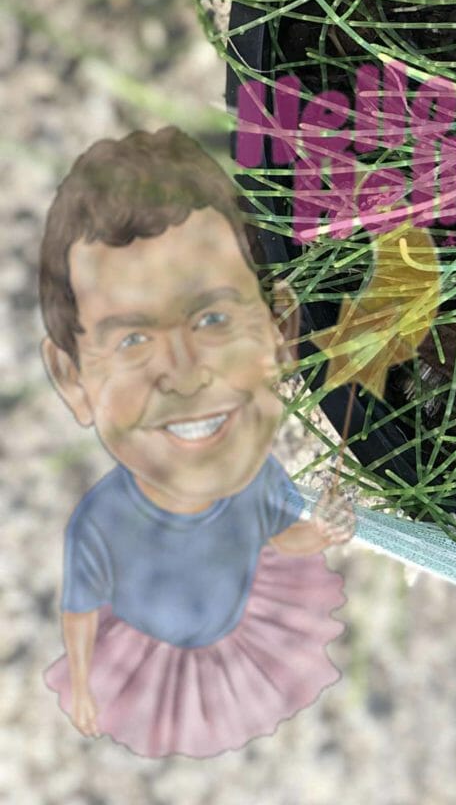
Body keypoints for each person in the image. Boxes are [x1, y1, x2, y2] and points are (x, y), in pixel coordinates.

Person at [37, 126, 354, 758]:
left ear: (281, 329)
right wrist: (80, 680)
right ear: (72, 379)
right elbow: (79, 610)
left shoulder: (259, 480)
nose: (182, 374)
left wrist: (316, 531)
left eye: (212, 319)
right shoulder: (99, 524)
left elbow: (271, 536)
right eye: (132, 340)